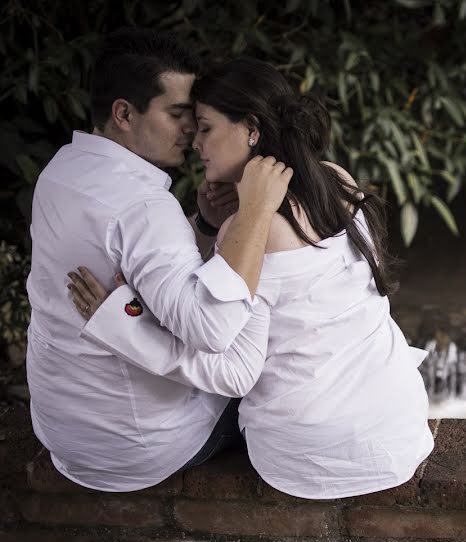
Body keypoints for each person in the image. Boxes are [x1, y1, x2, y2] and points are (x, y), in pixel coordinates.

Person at [67, 58, 434, 499]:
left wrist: (119, 324)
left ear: (252, 130)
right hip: (397, 425)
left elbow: (232, 373)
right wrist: (207, 224)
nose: (194, 142)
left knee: (177, 411)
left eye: (205, 127)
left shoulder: (252, 227)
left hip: (313, 455)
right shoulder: (332, 179)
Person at [26, 29, 291, 492]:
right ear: (124, 113)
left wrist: (206, 228)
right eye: (176, 114)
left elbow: (150, 272)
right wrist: (253, 212)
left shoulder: (60, 171)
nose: (190, 129)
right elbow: (213, 331)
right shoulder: (145, 207)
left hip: (63, 433)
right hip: (139, 445)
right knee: (281, 374)